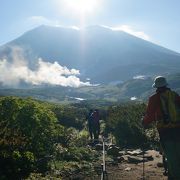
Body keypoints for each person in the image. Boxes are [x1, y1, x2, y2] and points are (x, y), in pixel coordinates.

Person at [142, 76, 180, 179]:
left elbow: (149, 117)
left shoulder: (154, 98)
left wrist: (144, 123)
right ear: (166, 84)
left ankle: (174, 176)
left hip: (165, 131)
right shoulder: (175, 95)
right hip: (178, 129)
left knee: (171, 155)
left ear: (156, 87)